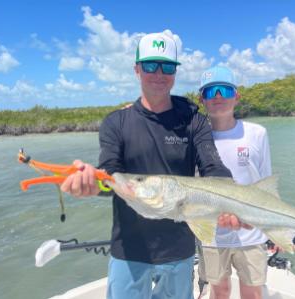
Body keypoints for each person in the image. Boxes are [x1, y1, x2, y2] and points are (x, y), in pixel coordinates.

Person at [60, 32, 236, 299]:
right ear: (136, 69)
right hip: (128, 251)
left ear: (175, 72)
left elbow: (214, 167)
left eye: (167, 66)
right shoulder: (115, 122)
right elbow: (109, 175)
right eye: (151, 65)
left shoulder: (193, 121)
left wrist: (233, 201)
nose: (158, 73)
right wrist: (90, 182)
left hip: (179, 250)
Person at [198, 66, 272, 299]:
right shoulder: (196, 138)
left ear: (236, 96)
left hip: (251, 232)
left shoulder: (257, 133)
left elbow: (267, 184)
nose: (218, 96)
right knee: (219, 291)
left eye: (224, 90)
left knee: (253, 292)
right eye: (211, 92)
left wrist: (275, 229)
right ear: (202, 100)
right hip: (211, 233)